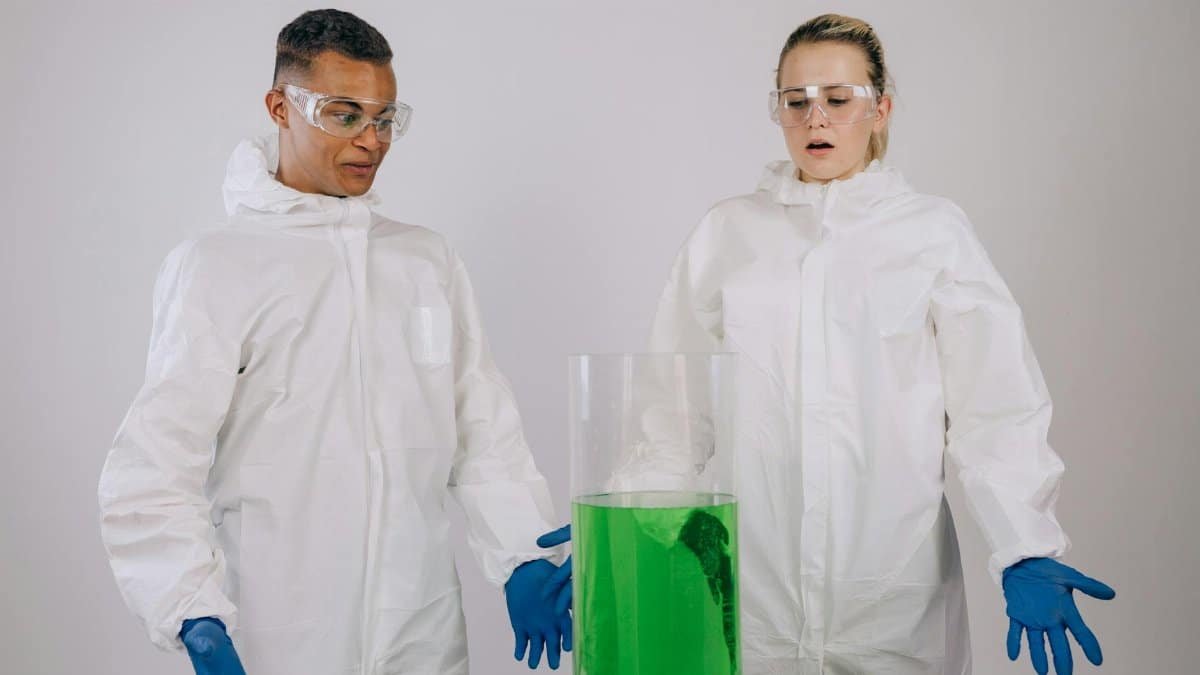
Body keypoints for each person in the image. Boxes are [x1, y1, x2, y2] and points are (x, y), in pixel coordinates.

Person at [543, 13, 1116, 675]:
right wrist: (627, 525)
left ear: (880, 108)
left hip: (892, 600)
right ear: (778, 111)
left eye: (838, 100)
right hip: (754, 596)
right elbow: (673, 411)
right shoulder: (729, 234)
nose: (816, 118)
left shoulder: (932, 233)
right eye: (797, 101)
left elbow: (995, 402)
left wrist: (1026, 542)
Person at [98, 9, 570, 674]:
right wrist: (191, 611)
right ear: (280, 107)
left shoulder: (423, 261)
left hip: (422, 632)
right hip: (281, 636)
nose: (371, 140)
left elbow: (483, 430)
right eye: (344, 114)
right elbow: (154, 465)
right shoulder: (219, 266)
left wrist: (524, 553)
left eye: (384, 118)